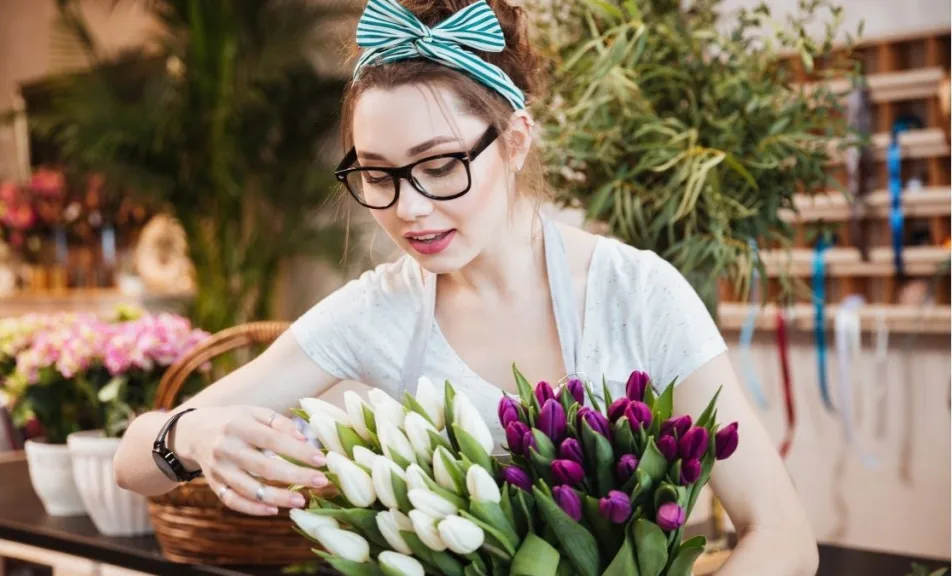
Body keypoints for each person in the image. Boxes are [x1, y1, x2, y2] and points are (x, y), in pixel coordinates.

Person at [113, 0, 818, 573]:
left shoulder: (637, 296)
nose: (408, 208)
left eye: (440, 165)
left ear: (514, 141)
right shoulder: (380, 311)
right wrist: (195, 436)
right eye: (378, 174)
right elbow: (130, 459)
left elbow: (782, 537)